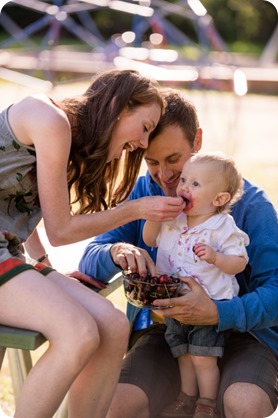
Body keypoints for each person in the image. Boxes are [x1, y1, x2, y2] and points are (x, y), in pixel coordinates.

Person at [79, 89, 278, 418]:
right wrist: (116, 251)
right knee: (118, 405)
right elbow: (91, 255)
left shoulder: (251, 205)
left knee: (244, 403)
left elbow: (275, 288)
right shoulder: (144, 192)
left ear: (197, 141)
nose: (166, 176)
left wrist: (216, 313)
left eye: (174, 159)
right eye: (152, 162)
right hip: (167, 330)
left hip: (247, 334)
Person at [0, 69, 186, 418]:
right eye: (145, 127)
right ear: (118, 104)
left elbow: (17, 207)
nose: (144, 144)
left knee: (112, 326)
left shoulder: (68, 138)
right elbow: (61, 230)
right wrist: (135, 209)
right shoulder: (50, 120)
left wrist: (44, 268)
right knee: (79, 333)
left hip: (8, 250)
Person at [143, 152, 250, 418]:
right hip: (174, 305)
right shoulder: (174, 218)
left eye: (195, 184)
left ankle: (207, 403)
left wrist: (216, 257)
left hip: (209, 306)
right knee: (184, 354)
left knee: (203, 356)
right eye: (184, 180)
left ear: (219, 199)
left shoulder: (221, 227)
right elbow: (149, 239)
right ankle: (186, 397)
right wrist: (155, 216)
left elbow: (239, 263)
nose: (183, 188)